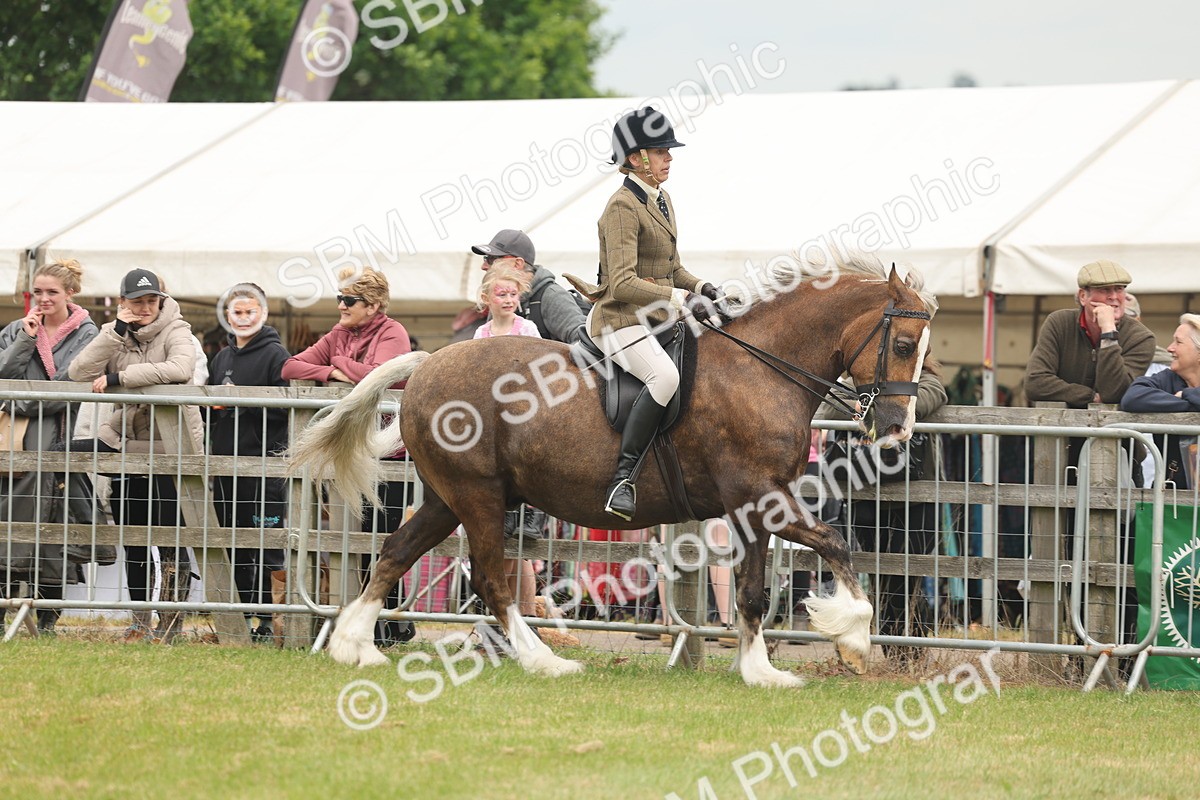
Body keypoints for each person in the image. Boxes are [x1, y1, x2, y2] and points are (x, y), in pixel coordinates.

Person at [566, 105, 721, 520]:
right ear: (636, 158)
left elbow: (672, 267)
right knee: (665, 376)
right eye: (661, 151)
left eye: (669, 151)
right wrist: (679, 299)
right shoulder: (621, 207)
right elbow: (621, 283)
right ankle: (624, 478)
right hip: (619, 320)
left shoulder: (662, 198)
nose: (669, 157)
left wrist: (703, 287)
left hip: (655, 320)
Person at [66, 268, 203, 643]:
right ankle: (140, 621)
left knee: (171, 542)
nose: (144, 308)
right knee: (133, 541)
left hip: (171, 449)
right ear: (123, 302)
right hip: (125, 444)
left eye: (151, 300)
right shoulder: (118, 335)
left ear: (162, 299)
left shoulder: (178, 330)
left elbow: (181, 368)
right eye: (136, 301)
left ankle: (172, 623)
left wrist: (120, 379)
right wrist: (114, 333)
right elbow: (78, 371)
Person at [281, 266, 415, 647]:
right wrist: (335, 372)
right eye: (339, 297)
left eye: (349, 299)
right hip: (350, 453)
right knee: (349, 539)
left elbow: (385, 375)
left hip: (388, 453)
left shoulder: (393, 332)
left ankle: (392, 622)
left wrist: (341, 366)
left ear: (372, 305)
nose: (340, 305)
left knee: (383, 541)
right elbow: (290, 365)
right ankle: (371, 624)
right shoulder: (339, 333)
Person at [0, 258, 99, 635]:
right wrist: (26, 338)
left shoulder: (88, 334)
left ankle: (47, 619)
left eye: (51, 292)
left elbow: (69, 384)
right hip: (14, 442)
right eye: (37, 292)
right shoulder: (16, 329)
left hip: (61, 438)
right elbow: (3, 373)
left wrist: (20, 401)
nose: (43, 299)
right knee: (7, 521)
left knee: (57, 527)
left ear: (70, 293)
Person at [207, 283, 290, 642]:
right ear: (227, 316)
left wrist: (240, 402)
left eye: (249, 311)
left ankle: (271, 621)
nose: (243, 318)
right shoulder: (220, 359)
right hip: (225, 466)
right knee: (233, 543)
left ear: (263, 313)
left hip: (264, 468)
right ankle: (238, 617)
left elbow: (286, 409)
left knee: (266, 545)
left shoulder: (277, 355)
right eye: (237, 312)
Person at [1025, 260, 1155, 408]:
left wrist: (1108, 332)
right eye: (1104, 290)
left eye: (1119, 289)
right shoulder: (1059, 323)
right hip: (1059, 427)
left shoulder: (1141, 337)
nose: (1114, 297)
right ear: (1082, 296)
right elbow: (1035, 383)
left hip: (1112, 429)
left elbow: (1114, 393)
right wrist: (1090, 396)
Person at [1121, 313, 1200, 491]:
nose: (1170, 348)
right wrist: (1189, 404)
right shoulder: (1168, 379)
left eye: (1178, 342)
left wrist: (1186, 394)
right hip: (1172, 496)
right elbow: (1132, 398)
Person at [471, 228, 587, 344]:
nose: (484, 266)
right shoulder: (496, 302)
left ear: (517, 263)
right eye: (485, 258)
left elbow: (584, 343)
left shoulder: (552, 296)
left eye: (491, 259)